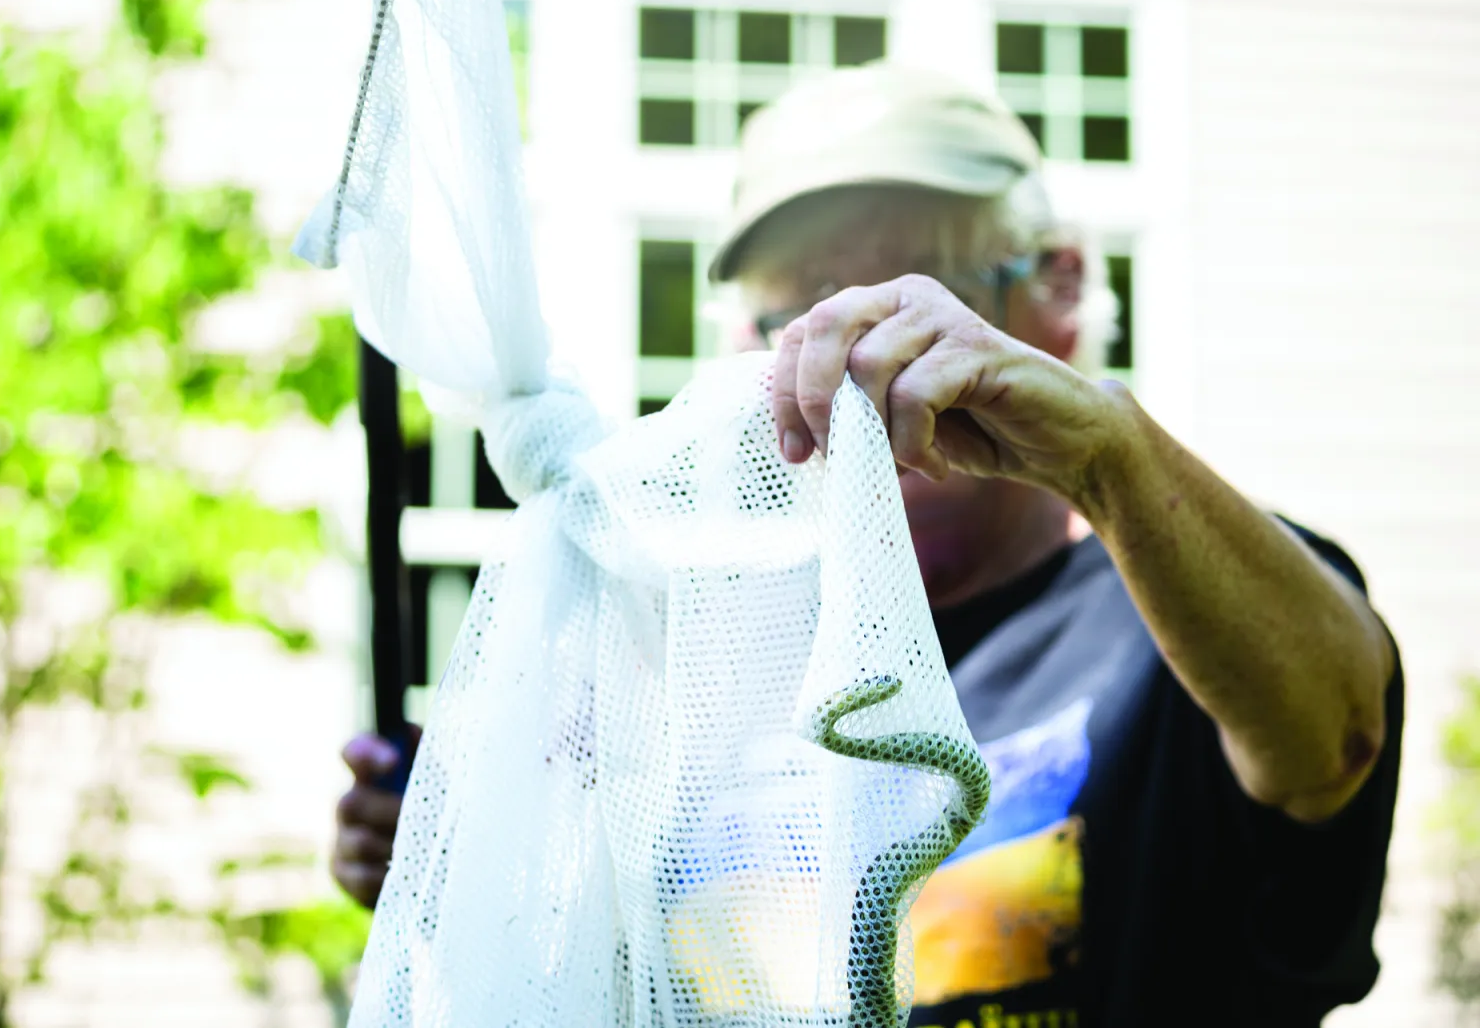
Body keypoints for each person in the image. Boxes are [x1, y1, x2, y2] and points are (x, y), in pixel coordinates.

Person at [332, 65, 1402, 1026]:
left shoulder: (1169, 615)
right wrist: (464, 854)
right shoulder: (716, 670)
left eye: (910, 304)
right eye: (792, 320)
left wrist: (1105, 454)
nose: (852, 371)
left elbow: (1337, 728)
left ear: (1059, 290)